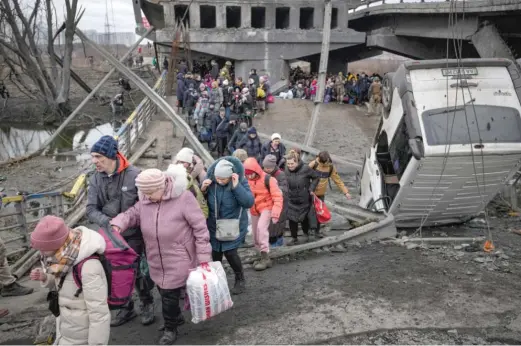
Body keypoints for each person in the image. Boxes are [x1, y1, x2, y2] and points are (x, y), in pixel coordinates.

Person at [111, 169, 212, 345]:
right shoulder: (145, 200)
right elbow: (132, 215)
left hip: (179, 256)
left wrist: (203, 257)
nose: (147, 196)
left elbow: (200, 229)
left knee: (168, 294)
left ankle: (170, 328)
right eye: (144, 193)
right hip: (156, 257)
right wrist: (118, 224)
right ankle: (177, 317)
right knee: (162, 288)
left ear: (163, 186)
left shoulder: (184, 198)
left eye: (150, 192)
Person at [86, 135, 155, 327]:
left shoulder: (135, 175)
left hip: (134, 233)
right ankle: (126, 307)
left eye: (98, 157)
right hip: (109, 235)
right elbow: (91, 209)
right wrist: (108, 223)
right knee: (115, 272)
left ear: (111, 155)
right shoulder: (95, 179)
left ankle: (147, 302)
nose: (95, 161)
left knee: (137, 271)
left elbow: (145, 206)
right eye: (93, 157)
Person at [29, 216, 110, 345]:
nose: (41, 252)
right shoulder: (61, 259)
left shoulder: (89, 267)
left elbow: (99, 315)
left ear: (55, 244)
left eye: (43, 248)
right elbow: (64, 283)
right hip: (66, 329)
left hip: (81, 336)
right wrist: (45, 277)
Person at [200, 157, 254, 294]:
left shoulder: (240, 182)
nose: (220, 181)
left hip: (232, 225)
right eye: (218, 178)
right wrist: (203, 189)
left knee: (230, 253)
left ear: (230, 176)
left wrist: (237, 187)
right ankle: (218, 281)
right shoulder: (211, 182)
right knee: (215, 254)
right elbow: (202, 202)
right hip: (214, 225)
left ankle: (240, 278)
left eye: (223, 179)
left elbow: (248, 202)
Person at [243, 158, 283, 271]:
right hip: (254, 208)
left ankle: (266, 257)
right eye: (247, 174)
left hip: (267, 207)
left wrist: (275, 214)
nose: (249, 177)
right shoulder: (246, 180)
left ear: (256, 170)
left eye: (251, 174)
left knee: (261, 229)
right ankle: (259, 255)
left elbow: (278, 197)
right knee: (255, 234)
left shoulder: (269, 179)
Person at [309, 151, 351, 237]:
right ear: (319, 159)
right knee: (311, 211)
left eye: (327, 162)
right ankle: (310, 230)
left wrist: (346, 192)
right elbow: (304, 175)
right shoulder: (314, 164)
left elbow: (337, 180)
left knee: (320, 212)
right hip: (310, 193)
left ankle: (316, 231)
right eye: (323, 163)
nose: (325, 164)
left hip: (321, 194)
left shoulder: (330, 167)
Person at [284, 150, 319, 246]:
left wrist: (311, 189)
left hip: (304, 199)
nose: (290, 166)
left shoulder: (306, 169)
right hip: (291, 199)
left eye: (292, 164)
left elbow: (316, 177)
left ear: (297, 162)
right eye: (288, 164)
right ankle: (294, 238)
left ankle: (306, 234)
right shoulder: (286, 169)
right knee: (292, 219)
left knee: (304, 219)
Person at [262, 155, 288, 247]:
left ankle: (278, 245)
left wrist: (272, 188)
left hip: (279, 204)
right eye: (265, 167)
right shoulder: (263, 173)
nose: (267, 169)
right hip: (267, 204)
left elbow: (284, 190)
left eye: (269, 168)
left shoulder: (280, 175)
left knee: (277, 226)